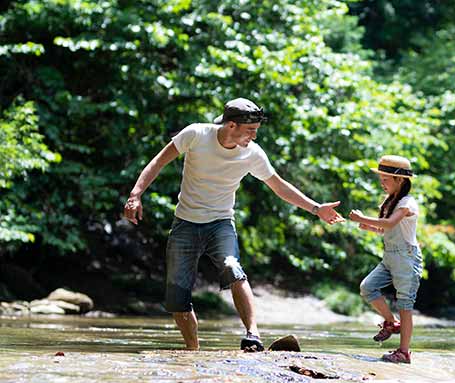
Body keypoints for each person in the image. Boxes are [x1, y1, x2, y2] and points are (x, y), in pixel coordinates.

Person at [123, 98, 344, 351]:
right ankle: (192, 351)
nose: (254, 136)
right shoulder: (196, 134)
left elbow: (279, 186)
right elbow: (159, 161)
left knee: (232, 267)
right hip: (185, 222)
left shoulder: (252, 153)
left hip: (220, 223)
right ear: (231, 125)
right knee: (176, 296)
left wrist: (316, 208)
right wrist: (135, 194)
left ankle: (253, 336)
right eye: (250, 130)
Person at [349, 155, 423, 364]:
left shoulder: (407, 203)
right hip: (390, 257)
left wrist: (362, 218)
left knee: (405, 304)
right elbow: (385, 229)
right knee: (367, 287)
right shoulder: (390, 202)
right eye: (381, 179)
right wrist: (369, 227)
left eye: (386, 179)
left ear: (400, 181)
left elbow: (390, 224)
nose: (382, 183)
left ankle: (404, 352)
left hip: (406, 259)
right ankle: (391, 322)